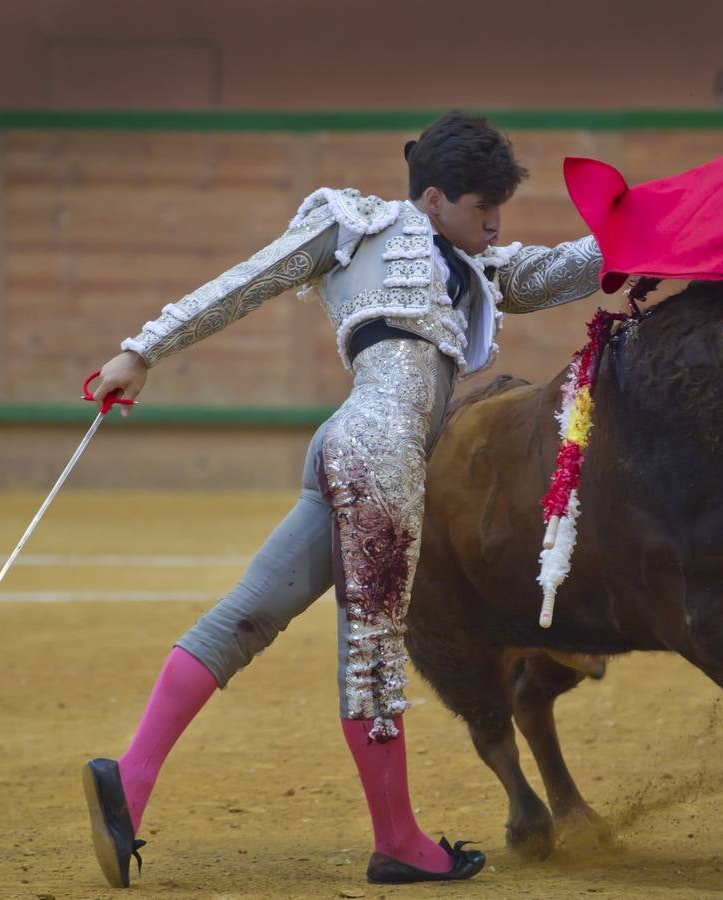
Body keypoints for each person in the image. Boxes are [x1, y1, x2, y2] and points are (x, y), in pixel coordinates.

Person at [81, 111, 603, 888]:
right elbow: (251, 279)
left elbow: (567, 267)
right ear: (431, 197)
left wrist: (660, 222)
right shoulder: (354, 221)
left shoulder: (478, 268)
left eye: (501, 208)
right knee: (373, 661)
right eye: (480, 207)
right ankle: (398, 841)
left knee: (247, 614)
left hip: (346, 448)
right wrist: (142, 348)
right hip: (382, 457)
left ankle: (131, 777)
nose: (495, 224)